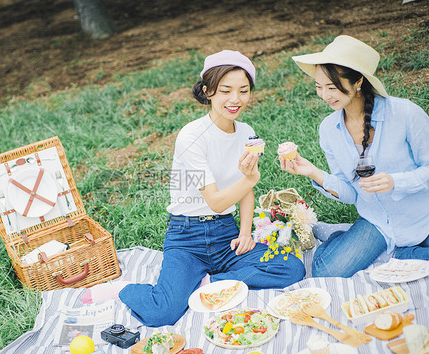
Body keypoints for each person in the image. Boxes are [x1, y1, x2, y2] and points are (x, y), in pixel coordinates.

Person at [82, 50, 305, 327]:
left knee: (291, 267)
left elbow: (242, 189)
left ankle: (210, 282)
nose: (235, 99)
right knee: (161, 313)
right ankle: (123, 289)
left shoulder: (247, 133)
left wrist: (246, 233)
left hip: (226, 235)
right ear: (207, 90)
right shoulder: (192, 136)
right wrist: (250, 179)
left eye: (243, 91)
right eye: (225, 90)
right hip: (187, 238)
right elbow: (216, 201)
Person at [280, 35, 429, 278]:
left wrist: (395, 182)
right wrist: (313, 172)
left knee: (410, 252)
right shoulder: (329, 129)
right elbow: (351, 193)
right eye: (319, 87)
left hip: (420, 215)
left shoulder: (405, 114)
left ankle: (401, 253)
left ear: (358, 81)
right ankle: (355, 239)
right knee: (325, 270)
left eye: (332, 87)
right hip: (376, 221)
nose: (325, 95)